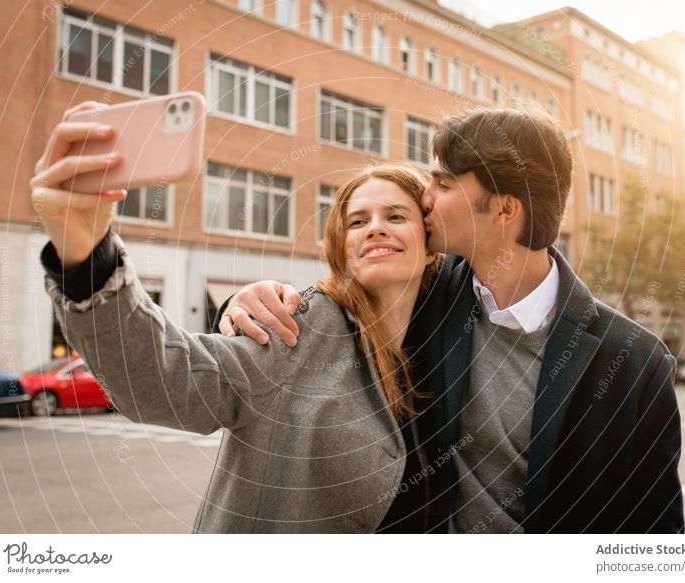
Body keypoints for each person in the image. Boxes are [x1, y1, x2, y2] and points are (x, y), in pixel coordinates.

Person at [216, 107, 685, 533]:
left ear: (504, 209)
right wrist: (247, 303)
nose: (425, 196)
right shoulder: (424, 294)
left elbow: (654, 532)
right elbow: (341, 304)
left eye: (442, 183)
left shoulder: (635, 364)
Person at [31, 101, 442, 533]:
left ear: (432, 242)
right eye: (357, 221)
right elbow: (162, 380)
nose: (375, 228)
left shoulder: (459, 329)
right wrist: (87, 258)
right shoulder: (298, 325)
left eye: (396, 216)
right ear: (341, 248)